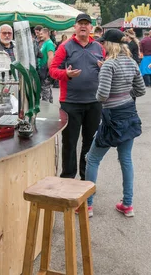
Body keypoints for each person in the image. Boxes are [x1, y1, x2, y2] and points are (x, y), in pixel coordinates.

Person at [84, 29, 145, 218]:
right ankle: (127, 204)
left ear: (109, 45)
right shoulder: (131, 62)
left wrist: (111, 96)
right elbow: (140, 90)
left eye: (103, 43)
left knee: (92, 158)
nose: (101, 45)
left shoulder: (109, 65)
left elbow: (102, 95)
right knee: (125, 159)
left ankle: (87, 205)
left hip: (112, 117)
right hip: (129, 113)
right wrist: (126, 95)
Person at [49, 13, 105, 180]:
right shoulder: (65, 46)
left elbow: (107, 68)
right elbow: (53, 70)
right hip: (71, 102)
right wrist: (66, 74)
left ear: (91, 28)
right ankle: (67, 178)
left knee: (90, 143)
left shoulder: (98, 47)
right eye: (80, 23)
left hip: (94, 102)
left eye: (86, 24)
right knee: (70, 143)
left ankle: (86, 178)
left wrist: (105, 68)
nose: (83, 26)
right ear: (75, 26)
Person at [38, 27, 55, 103]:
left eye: (41, 34)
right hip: (42, 69)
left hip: (45, 70)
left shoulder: (49, 43)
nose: (40, 35)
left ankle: (47, 106)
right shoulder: (45, 43)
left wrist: (49, 72)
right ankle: (49, 103)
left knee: (45, 90)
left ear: (46, 33)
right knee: (46, 89)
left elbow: (51, 57)